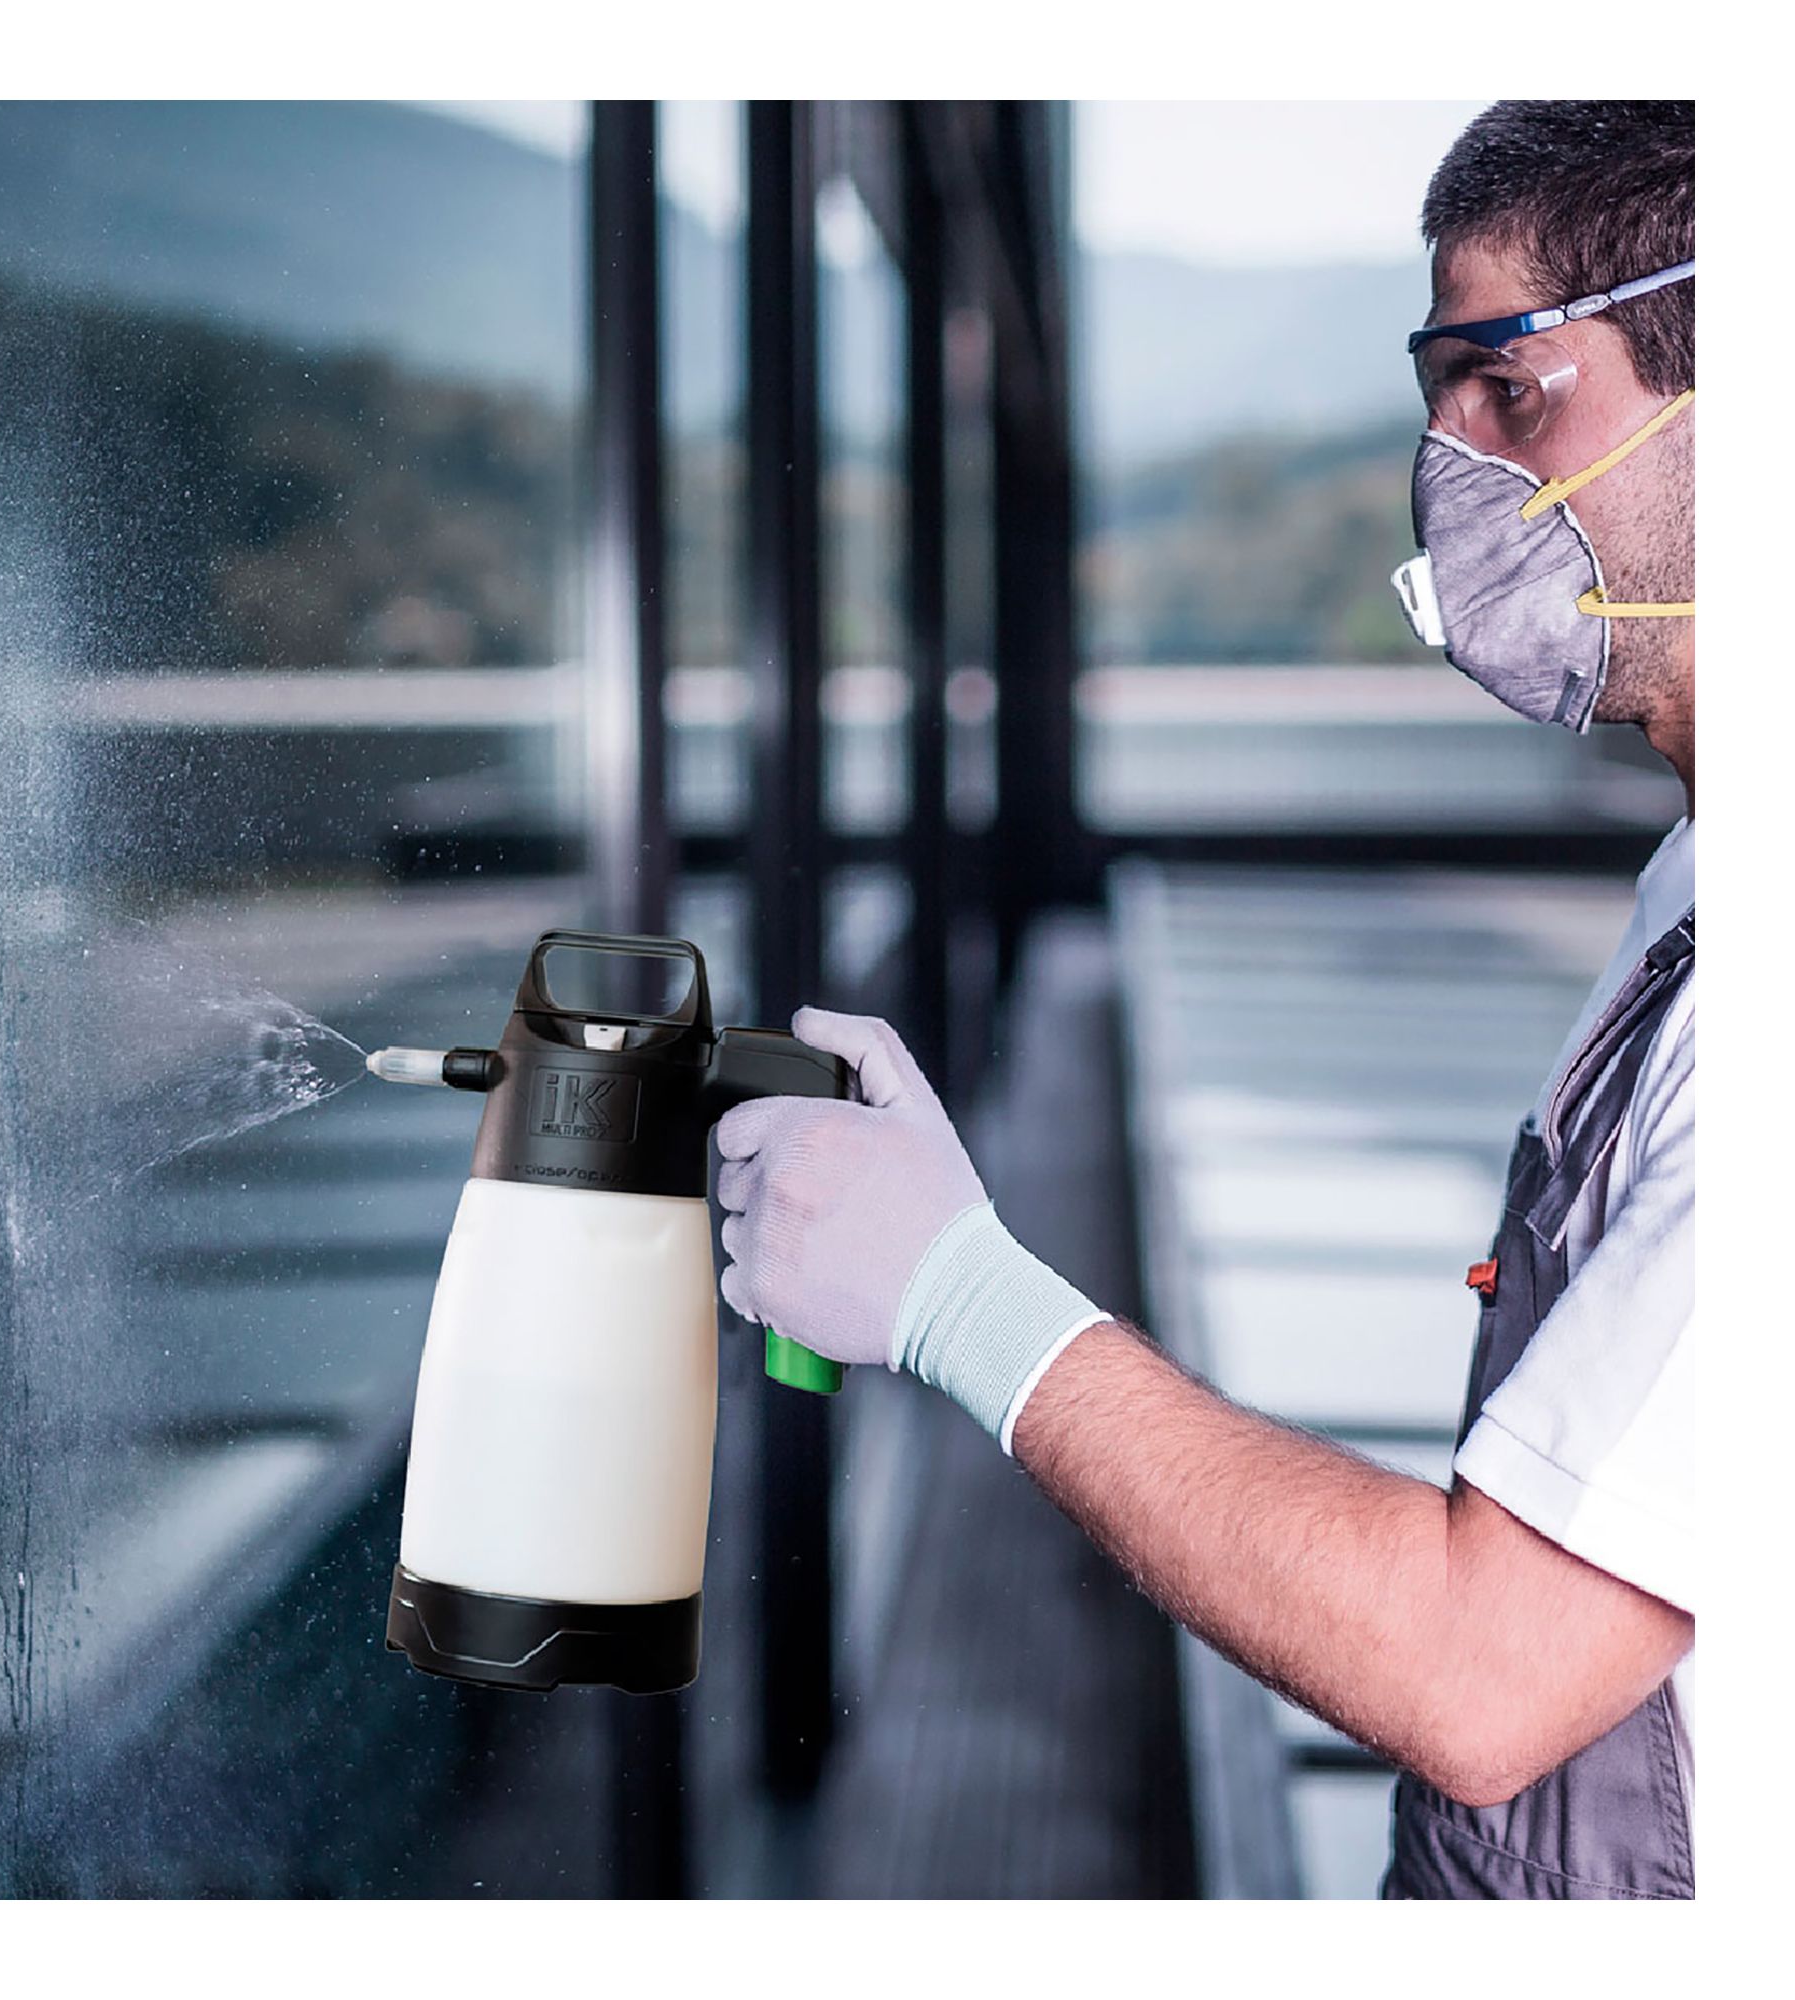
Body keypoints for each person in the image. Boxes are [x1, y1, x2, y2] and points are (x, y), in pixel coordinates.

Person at [714, 101, 1696, 1900]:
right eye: (1435, 400)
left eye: (1509, 389)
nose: (1449, 472)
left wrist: (954, 1292)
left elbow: (1484, 1670)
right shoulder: (1698, 883)